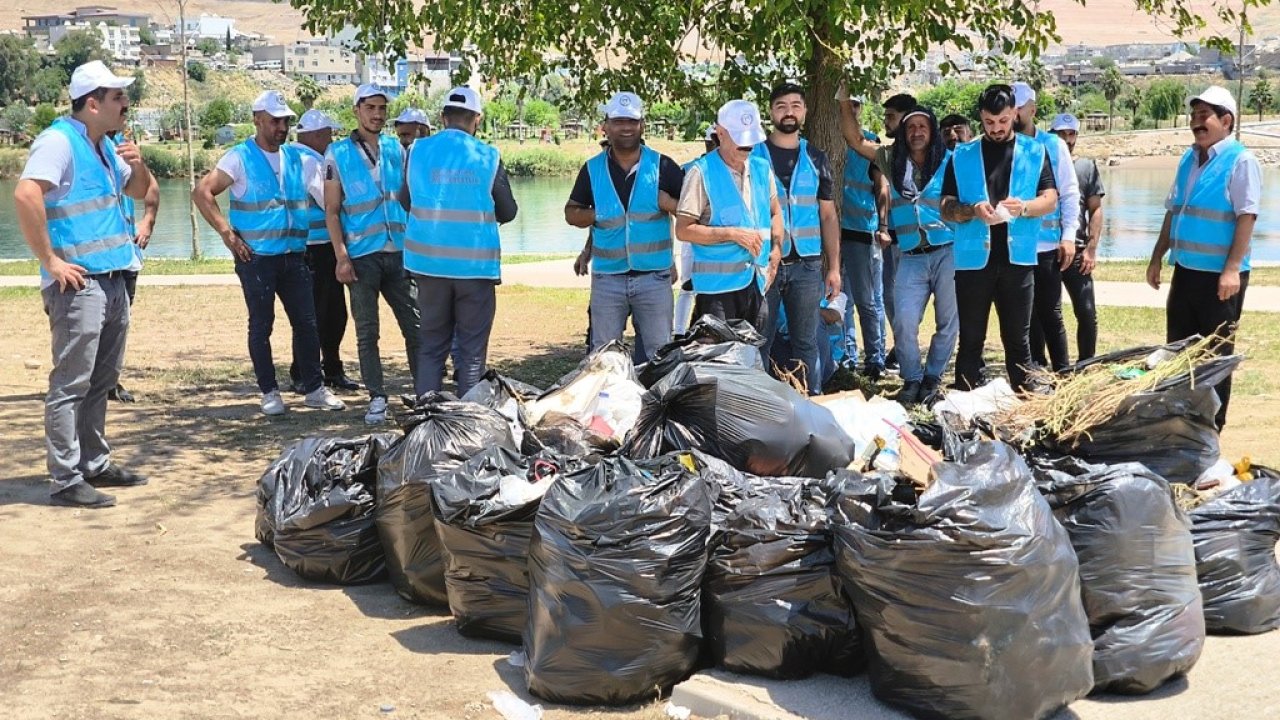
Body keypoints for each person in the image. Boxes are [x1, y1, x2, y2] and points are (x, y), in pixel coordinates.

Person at [14, 61, 156, 507]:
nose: (125, 104)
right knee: (71, 382)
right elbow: (25, 193)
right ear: (92, 104)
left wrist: (140, 164)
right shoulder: (58, 142)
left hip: (113, 277)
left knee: (102, 378)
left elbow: (136, 193)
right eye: (117, 98)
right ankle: (66, 478)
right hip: (79, 284)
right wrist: (51, 261)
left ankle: (94, 464)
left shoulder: (106, 145)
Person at [193, 90, 346, 416]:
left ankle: (315, 389)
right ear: (257, 120)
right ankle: (269, 392)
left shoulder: (299, 160)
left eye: (286, 121)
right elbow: (203, 192)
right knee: (262, 325)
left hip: (294, 256)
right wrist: (227, 234)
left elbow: (329, 202)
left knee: (307, 323)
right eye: (275, 121)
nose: (282, 127)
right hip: (257, 258)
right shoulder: (239, 158)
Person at [1146, 86, 1260, 430]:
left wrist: (1231, 271)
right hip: (1185, 271)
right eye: (1194, 116)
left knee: (1215, 358)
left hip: (1219, 280)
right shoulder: (1188, 158)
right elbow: (1174, 211)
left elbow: (1247, 217)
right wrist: (1156, 257)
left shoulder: (1241, 161)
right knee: (1179, 352)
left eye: (1204, 116)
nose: (1197, 123)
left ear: (1226, 121)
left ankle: (1211, 428)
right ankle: (1181, 423)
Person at [401, 86, 518, 397]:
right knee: (471, 354)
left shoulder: (416, 151)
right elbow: (508, 209)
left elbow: (405, 200)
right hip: (474, 269)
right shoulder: (487, 156)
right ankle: (466, 426)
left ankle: (427, 421)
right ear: (476, 119)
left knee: (431, 348)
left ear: (443, 117)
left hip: (428, 267)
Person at [940, 83, 1058, 392]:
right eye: (989, 123)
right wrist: (970, 211)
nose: (996, 129)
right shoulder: (961, 155)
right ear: (980, 118)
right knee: (971, 341)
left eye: (1003, 121)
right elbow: (945, 207)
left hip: (1017, 260)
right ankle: (963, 410)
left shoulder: (1035, 151)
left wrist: (1024, 208)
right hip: (973, 262)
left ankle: (1026, 412)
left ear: (1015, 114)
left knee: (1018, 343)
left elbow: (1051, 199)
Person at [326, 85, 421, 424]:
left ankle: (425, 393)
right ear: (357, 110)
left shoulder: (397, 150)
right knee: (368, 331)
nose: (377, 114)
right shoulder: (337, 154)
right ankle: (377, 396)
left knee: (416, 326)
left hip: (399, 252)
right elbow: (332, 211)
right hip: (362, 256)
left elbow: (412, 200)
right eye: (371, 108)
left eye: (382, 108)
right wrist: (341, 256)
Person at [565, 92, 684, 360]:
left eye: (632, 121)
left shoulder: (662, 166)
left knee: (660, 356)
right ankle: (609, 402)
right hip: (608, 279)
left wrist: (668, 203)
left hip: (654, 278)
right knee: (605, 357)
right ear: (605, 126)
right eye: (618, 121)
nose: (626, 127)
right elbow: (571, 213)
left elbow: (694, 211)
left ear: (642, 125)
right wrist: (595, 215)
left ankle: (658, 403)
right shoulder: (593, 169)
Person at [751, 81, 841, 395]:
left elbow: (828, 215)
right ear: (771, 112)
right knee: (759, 340)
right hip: (766, 266)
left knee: (807, 342)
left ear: (803, 111)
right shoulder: (753, 158)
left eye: (795, 106)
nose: (789, 112)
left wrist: (834, 268)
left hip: (807, 265)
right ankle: (764, 410)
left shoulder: (817, 158)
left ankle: (810, 406)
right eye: (781, 106)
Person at [675, 99, 782, 330]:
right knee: (721, 362)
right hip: (717, 291)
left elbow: (775, 212)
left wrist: (776, 251)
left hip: (757, 283)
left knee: (753, 357)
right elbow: (683, 229)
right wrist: (732, 234)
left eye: (751, 138)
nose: (747, 145)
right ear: (720, 133)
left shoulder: (762, 169)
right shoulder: (700, 173)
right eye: (739, 138)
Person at [875, 107, 957, 405]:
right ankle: (911, 378)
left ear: (932, 131)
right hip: (910, 254)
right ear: (903, 133)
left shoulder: (950, 161)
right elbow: (857, 141)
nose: (917, 132)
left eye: (923, 126)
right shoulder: (892, 162)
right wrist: (843, 100)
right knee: (904, 320)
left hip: (947, 250)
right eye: (911, 127)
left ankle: (932, 377)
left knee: (948, 321)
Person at [287, 109, 360, 394]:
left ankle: (329, 368)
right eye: (329, 133)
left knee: (330, 313)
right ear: (317, 135)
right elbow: (327, 198)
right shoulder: (309, 162)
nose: (332, 139)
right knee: (318, 313)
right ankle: (305, 372)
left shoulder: (295, 156)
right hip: (316, 248)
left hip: (319, 246)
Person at [1013, 82, 1080, 374]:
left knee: (1050, 313)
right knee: (1021, 316)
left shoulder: (1053, 145)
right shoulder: (1002, 145)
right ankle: (1032, 371)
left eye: (1019, 107)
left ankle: (1063, 373)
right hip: (1014, 246)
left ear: (1032, 109)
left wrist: (1068, 236)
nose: (1014, 112)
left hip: (1046, 246)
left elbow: (1069, 192)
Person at [836, 87, 890, 378]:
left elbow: (882, 187)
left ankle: (875, 358)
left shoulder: (870, 142)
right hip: (834, 232)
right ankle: (846, 357)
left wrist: (882, 226)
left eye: (856, 105)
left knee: (868, 300)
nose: (852, 110)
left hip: (862, 231)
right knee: (839, 299)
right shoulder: (829, 141)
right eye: (849, 105)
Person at [1050, 112, 1104, 363]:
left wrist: (1091, 250)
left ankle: (1086, 363)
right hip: (1047, 250)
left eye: (1072, 134)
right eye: (1062, 134)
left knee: (1086, 311)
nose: (1068, 139)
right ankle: (1050, 366)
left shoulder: (1086, 167)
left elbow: (1095, 209)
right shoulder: (1042, 164)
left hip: (1078, 249)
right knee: (1048, 313)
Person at [108, 142, 159, 404]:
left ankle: (109, 381)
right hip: (95, 258)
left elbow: (151, 186)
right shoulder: (81, 145)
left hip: (127, 253)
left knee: (120, 322)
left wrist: (148, 220)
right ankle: (90, 382)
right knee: (92, 325)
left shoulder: (124, 149)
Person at [672, 125, 719, 335]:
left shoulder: (728, 169)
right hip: (692, 235)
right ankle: (679, 330)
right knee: (688, 284)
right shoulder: (690, 168)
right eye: (711, 142)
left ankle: (706, 326)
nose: (713, 146)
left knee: (711, 284)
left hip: (716, 236)